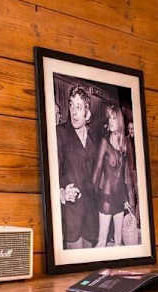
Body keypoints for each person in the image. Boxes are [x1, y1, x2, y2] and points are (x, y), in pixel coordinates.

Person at [56, 86, 99, 249]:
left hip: (91, 212)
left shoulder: (94, 138)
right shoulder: (60, 133)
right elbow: (52, 171)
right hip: (71, 212)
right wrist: (61, 192)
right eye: (71, 105)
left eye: (79, 107)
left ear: (87, 113)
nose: (73, 111)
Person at [91, 104, 135, 247]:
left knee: (118, 241)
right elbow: (96, 173)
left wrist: (128, 199)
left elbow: (125, 176)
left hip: (119, 198)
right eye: (109, 118)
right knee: (102, 242)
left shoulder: (125, 144)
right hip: (106, 198)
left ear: (120, 121)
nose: (110, 121)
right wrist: (92, 199)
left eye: (114, 118)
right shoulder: (104, 142)